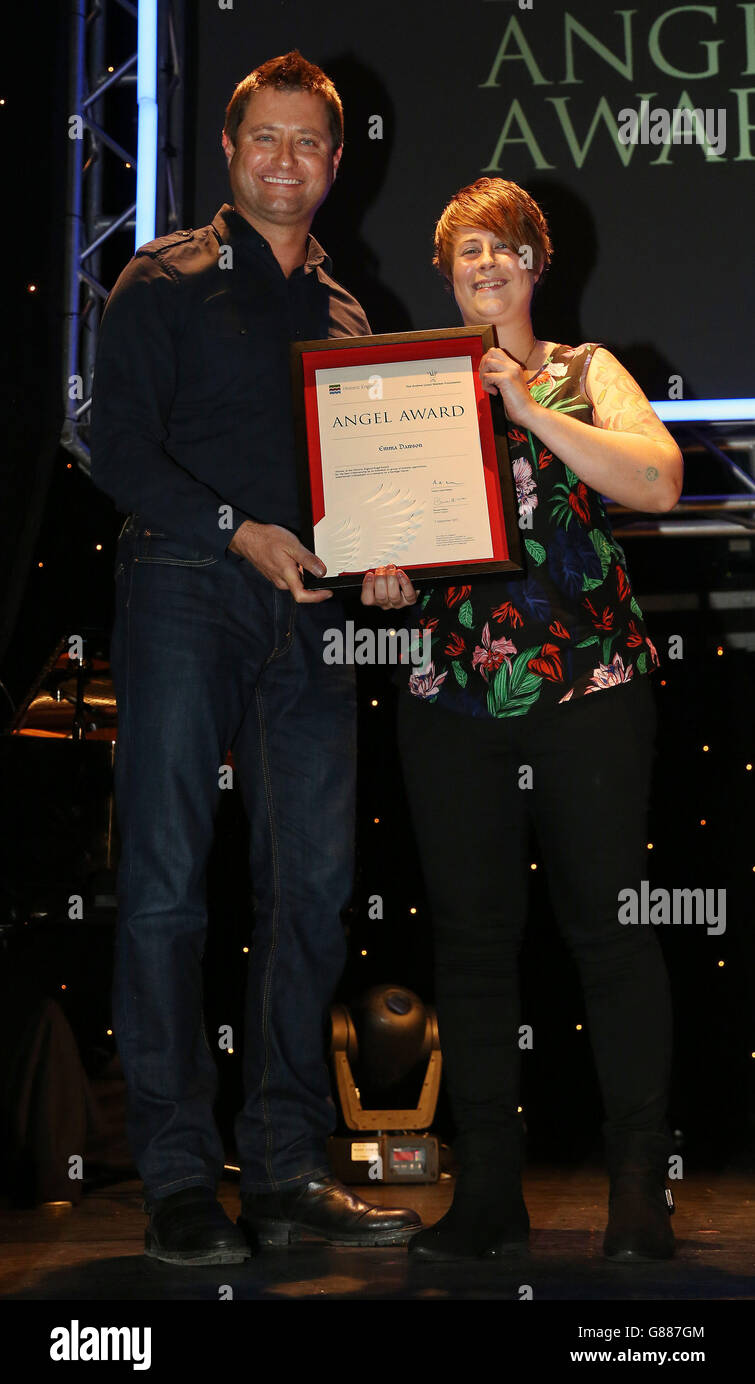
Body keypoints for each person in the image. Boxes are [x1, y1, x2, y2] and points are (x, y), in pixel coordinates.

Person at [90, 51, 421, 1264]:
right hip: (185, 587)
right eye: (265, 139)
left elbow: (368, 490)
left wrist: (386, 557)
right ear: (230, 151)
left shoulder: (349, 313)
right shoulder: (160, 278)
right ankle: (179, 1179)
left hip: (314, 614)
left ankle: (283, 1170)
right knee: (166, 889)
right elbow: (115, 447)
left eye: (309, 143)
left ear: (335, 163)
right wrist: (237, 529)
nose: (287, 161)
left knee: (312, 896)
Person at [362, 176, 683, 1262]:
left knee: (610, 932)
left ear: (537, 266)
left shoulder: (584, 373)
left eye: (505, 248)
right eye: (467, 252)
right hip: (450, 692)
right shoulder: (410, 388)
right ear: (445, 274)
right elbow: (382, 530)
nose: (486, 265)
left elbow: (657, 483)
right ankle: (489, 1196)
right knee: (470, 944)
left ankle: (637, 1193)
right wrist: (380, 574)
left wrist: (527, 408)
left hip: (588, 685)